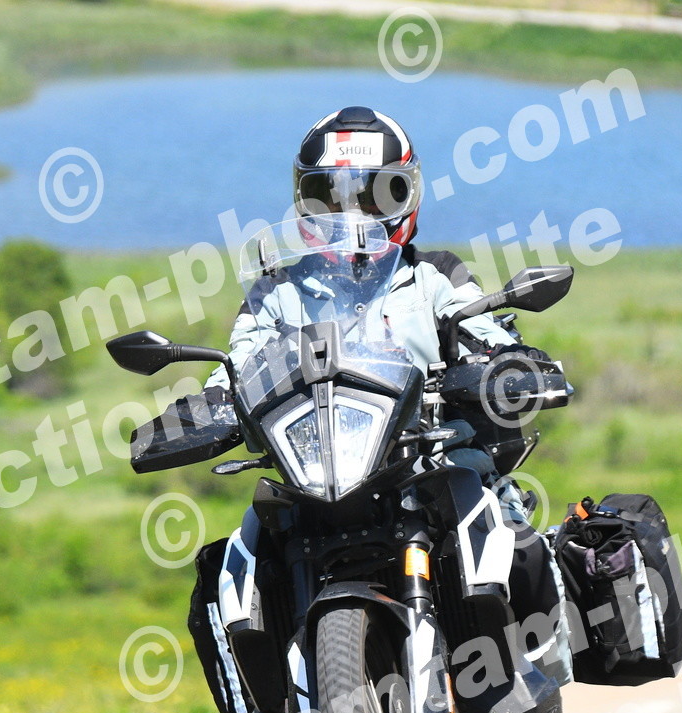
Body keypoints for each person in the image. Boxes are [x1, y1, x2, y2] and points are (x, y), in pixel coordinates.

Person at [205, 104, 569, 643]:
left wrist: (508, 363)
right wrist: (208, 404)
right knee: (240, 561)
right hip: (312, 473)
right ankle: (270, 690)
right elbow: (238, 362)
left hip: (430, 458)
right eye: (330, 196)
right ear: (304, 201)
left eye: (377, 195)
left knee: (511, 529)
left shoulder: (434, 275)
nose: (352, 214)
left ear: (407, 195)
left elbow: (485, 329)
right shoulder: (276, 291)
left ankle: (536, 658)